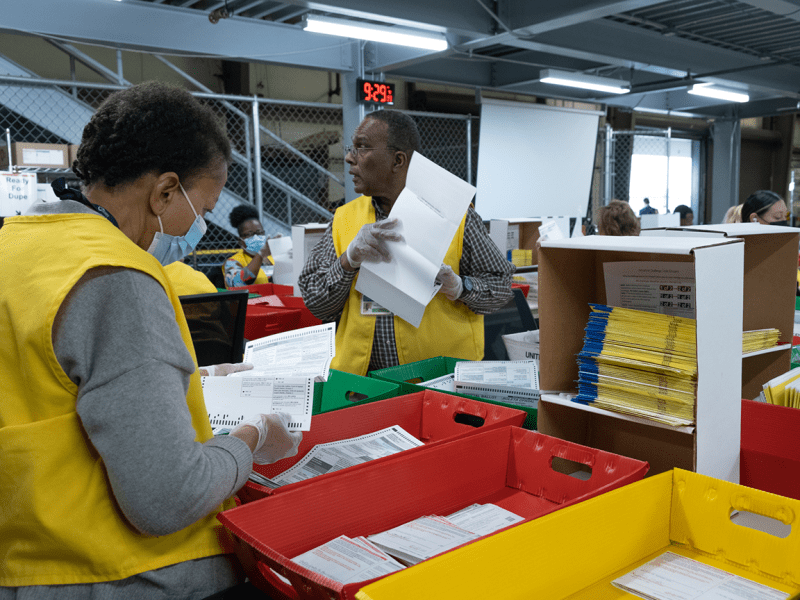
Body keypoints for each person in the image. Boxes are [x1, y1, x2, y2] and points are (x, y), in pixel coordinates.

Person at [0, 82, 302, 599]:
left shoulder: (16, 245)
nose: (200, 226)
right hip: (127, 576)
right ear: (164, 191)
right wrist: (251, 438)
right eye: (200, 208)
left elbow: (46, 386)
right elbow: (168, 499)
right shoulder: (116, 277)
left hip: (26, 564)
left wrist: (183, 380)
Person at [298, 109, 515, 376]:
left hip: (440, 378)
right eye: (351, 148)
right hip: (363, 384)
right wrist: (347, 261)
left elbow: (502, 288)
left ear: (397, 160)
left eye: (362, 148)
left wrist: (461, 287)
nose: (348, 158)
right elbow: (316, 302)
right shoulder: (343, 219)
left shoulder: (455, 216)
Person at [223, 203, 274, 288]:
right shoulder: (232, 262)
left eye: (259, 233)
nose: (256, 237)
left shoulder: (272, 257)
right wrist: (260, 254)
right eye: (250, 234)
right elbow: (237, 283)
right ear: (240, 241)